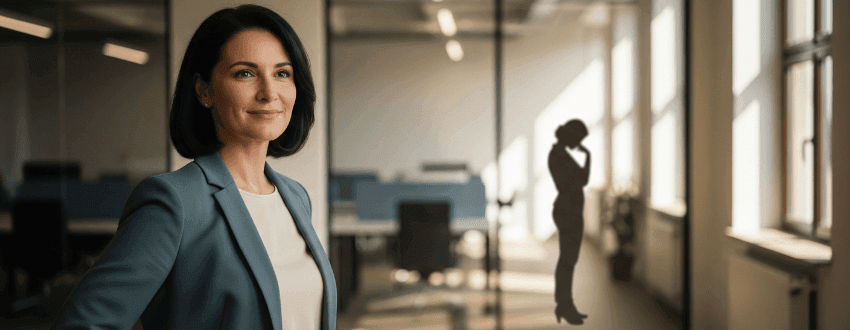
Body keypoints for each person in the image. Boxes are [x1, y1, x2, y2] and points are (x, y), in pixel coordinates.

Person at [51, 5, 336, 329]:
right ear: (204, 91)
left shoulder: (295, 197)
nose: (269, 92)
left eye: (282, 73)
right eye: (245, 73)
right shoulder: (174, 203)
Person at [548, 119, 591, 325]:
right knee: (567, 259)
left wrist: (588, 156)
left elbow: (582, 180)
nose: (580, 142)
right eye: (579, 138)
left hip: (571, 210)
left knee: (569, 259)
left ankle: (566, 304)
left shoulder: (561, 154)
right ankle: (564, 304)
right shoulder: (558, 156)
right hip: (568, 211)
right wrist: (587, 157)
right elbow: (579, 181)